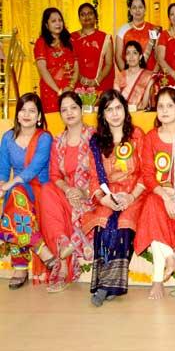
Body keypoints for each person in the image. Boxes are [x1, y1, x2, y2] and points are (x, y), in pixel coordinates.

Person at [83, 90, 146, 307]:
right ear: (103, 115)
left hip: (134, 194)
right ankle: (108, 284)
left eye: (118, 108)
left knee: (123, 225)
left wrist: (130, 196)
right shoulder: (97, 142)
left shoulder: (137, 135)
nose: (115, 113)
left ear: (125, 110)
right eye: (109, 109)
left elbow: (146, 171)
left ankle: (107, 286)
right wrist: (104, 199)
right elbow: (93, 176)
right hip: (109, 194)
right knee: (103, 224)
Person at [133, 87, 175, 300]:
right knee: (152, 204)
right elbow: (148, 175)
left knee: (154, 208)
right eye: (160, 106)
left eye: (170, 106)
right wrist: (166, 196)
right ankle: (168, 259)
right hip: (159, 195)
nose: (165, 110)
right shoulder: (150, 138)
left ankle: (158, 278)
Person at [39, 92, 96, 292]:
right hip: (67, 193)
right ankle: (63, 250)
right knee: (47, 190)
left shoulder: (94, 136)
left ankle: (63, 264)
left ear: (81, 110)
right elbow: (54, 175)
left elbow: (102, 173)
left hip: (90, 196)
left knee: (60, 206)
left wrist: (82, 191)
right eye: (64, 109)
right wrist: (68, 189)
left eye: (73, 107)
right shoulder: (58, 141)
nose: (69, 113)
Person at [0, 93, 55, 289]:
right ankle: (40, 250)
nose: (27, 114)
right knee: (14, 197)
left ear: (39, 116)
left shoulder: (44, 137)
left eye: (32, 111)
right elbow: (3, 170)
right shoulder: (8, 138)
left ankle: (20, 266)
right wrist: (2, 186)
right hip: (17, 189)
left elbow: (34, 168)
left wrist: (9, 185)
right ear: (17, 114)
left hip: (40, 188)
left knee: (14, 195)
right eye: (23, 110)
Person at [34, 7, 79, 113]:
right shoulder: (41, 43)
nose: (58, 23)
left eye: (60, 20)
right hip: (51, 92)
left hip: (71, 90)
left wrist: (70, 86)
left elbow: (76, 67)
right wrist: (59, 91)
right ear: (46, 25)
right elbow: (43, 70)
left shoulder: (70, 41)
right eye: (53, 21)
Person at [71, 3, 114, 92]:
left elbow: (109, 63)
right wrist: (81, 79)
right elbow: (69, 63)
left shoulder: (105, 38)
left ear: (95, 17)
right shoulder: (72, 38)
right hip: (78, 85)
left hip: (100, 84)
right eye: (83, 14)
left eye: (90, 13)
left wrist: (97, 80)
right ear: (79, 19)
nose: (87, 17)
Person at [115, 0, 161, 71]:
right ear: (130, 11)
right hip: (130, 79)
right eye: (134, 7)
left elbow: (159, 57)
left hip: (151, 77)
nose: (137, 10)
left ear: (145, 9)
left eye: (140, 7)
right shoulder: (123, 30)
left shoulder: (153, 30)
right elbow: (118, 57)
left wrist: (152, 76)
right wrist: (127, 77)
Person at [114, 40, 155, 110]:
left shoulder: (148, 76)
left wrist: (150, 83)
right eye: (128, 53)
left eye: (135, 53)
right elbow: (116, 101)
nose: (131, 56)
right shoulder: (120, 76)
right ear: (125, 57)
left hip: (142, 115)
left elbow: (146, 104)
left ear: (140, 57)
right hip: (123, 114)